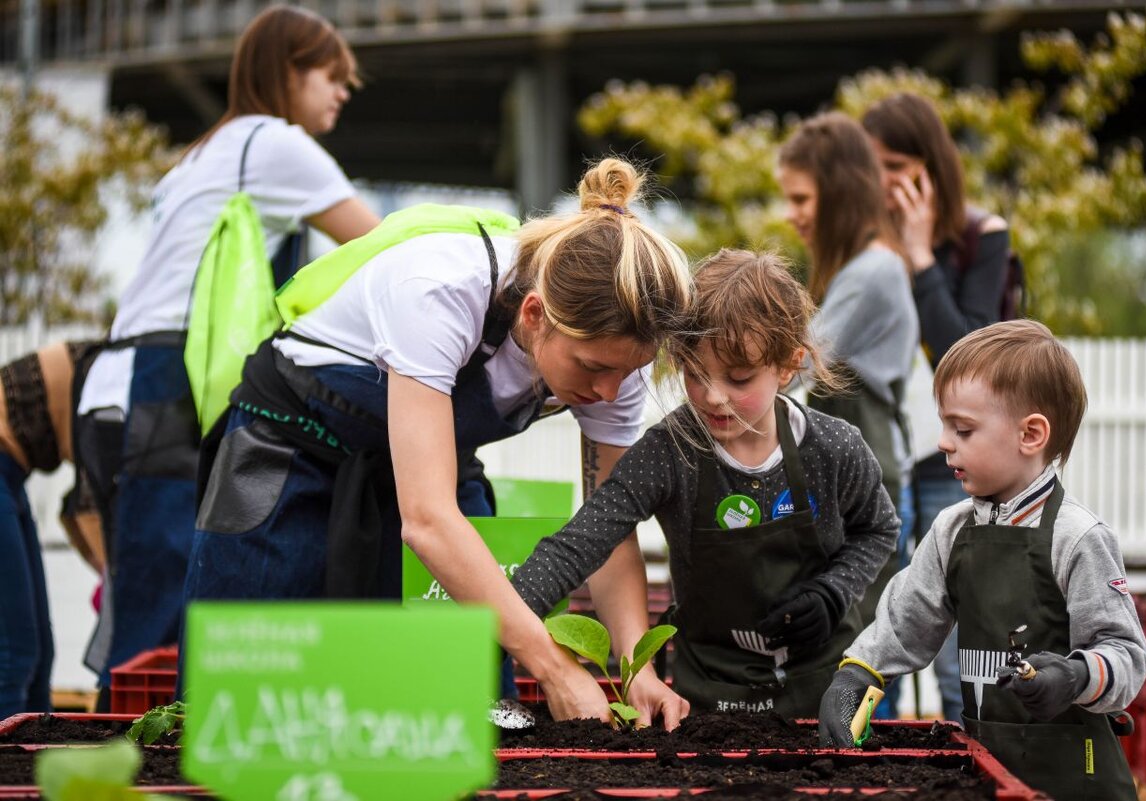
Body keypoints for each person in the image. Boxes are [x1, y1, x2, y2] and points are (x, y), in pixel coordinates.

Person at [181, 157, 693, 725]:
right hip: (289, 447)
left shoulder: (618, 354)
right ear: (534, 314)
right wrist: (553, 667)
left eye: (629, 372)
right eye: (592, 367)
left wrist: (635, 671)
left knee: (463, 699)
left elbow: (610, 525)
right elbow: (426, 519)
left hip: (433, 467)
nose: (610, 390)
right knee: (238, 689)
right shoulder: (440, 289)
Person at [73, 5, 381, 703]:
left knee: (145, 596)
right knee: (159, 616)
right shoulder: (275, 143)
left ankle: (126, 756)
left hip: (117, 380)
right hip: (171, 381)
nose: (341, 93)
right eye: (331, 77)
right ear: (289, 72)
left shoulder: (204, 151)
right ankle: (137, 770)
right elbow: (385, 245)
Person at [510, 249, 898, 721]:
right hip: (706, 700)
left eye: (739, 379)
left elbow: (877, 530)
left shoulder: (834, 447)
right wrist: (498, 622)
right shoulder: (668, 453)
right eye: (695, 374)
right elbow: (582, 542)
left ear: (788, 365)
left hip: (827, 690)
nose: (714, 397)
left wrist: (834, 591)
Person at [818, 320, 1146, 801]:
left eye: (963, 428)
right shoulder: (953, 531)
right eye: (944, 425)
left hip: (1074, 781)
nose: (943, 442)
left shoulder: (1077, 538)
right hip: (986, 773)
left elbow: (1127, 656)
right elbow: (907, 621)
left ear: (1031, 434)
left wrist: (1076, 674)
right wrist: (858, 672)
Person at [862, 92, 1012, 724]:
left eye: (895, 163)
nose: (884, 181)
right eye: (872, 166)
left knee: (961, 628)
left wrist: (921, 255)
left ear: (930, 165)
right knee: (880, 613)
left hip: (952, 457)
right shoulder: (863, 245)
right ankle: (870, 755)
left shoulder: (980, 237)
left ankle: (972, 755)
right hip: (881, 453)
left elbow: (967, 356)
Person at [776, 111, 918, 717]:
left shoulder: (872, 274)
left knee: (861, 654)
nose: (793, 214)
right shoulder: (864, 270)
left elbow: (797, 362)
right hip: (863, 477)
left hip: (870, 489)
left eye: (802, 198)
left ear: (838, 192)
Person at [1, 341, 104, 719]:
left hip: (13, 473)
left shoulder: (106, 365)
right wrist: (111, 576)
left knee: (39, 654)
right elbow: (90, 500)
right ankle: (10, 773)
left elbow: (72, 506)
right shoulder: (109, 377)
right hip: (4, 466)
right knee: (14, 654)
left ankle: (35, 770)